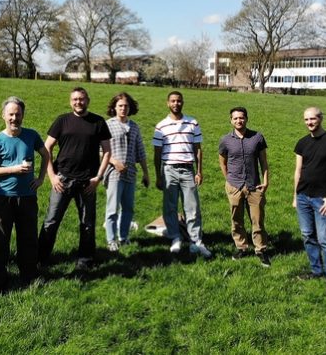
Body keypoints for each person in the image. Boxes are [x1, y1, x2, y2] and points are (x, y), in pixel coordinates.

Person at [38, 87, 112, 270]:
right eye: (75, 99)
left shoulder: (98, 122)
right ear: (70, 101)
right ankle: (40, 259)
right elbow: (47, 148)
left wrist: (98, 178)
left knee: (87, 223)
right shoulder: (62, 121)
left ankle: (85, 260)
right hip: (62, 180)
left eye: (82, 99)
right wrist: (52, 176)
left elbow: (107, 151)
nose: (78, 102)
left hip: (88, 182)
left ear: (88, 100)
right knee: (51, 220)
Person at [0, 97, 49, 291]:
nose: (14, 118)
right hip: (2, 197)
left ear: (23, 115)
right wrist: (14, 169)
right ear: (3, 115)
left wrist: (41, 178)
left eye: (18, 114)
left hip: (27, 197)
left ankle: (29, 276)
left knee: (28, 238)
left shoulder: (31, 135)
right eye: (10, 114)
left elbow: (46, 154)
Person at [153, 91, 212, 259]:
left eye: (178, 101)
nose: (176, 104)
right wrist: (158, 176)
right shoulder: (161, 126)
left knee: (192, 208)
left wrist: (199, 171)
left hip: (188, 170)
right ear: (168, 103)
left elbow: (198, 149)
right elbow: (157, 153)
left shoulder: (192, 123)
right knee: (170, 206)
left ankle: (196, 242)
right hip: (168, 170)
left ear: (182, 102)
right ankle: (175, 237)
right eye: (172, 101)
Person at [293, 106, 326, 295]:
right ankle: (316, 270)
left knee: (325, 239)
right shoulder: (302, 143)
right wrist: (295, 196)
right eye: (306, 119)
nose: (309, 122)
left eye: (313, 119)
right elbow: (298, 171)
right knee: (307, 235)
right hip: (303, 197)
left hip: (322, 199)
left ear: (320, 118)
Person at [218, 107, 271, 266]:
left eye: (241, 118)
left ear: (246, 119)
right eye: (235, 118)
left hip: (254, 185)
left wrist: (266, 181)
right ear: (231, 120)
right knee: (236, 219)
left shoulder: (257, 137)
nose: (238, 121)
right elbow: (222, 162)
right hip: (234, 186)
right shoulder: (225, 140)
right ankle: (241, 247)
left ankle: (261, 249)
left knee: (258, 219)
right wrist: (229, 180)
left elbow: (263, 162)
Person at [103, 92, 150, 252]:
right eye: (120, 106)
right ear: (114, 108)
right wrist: (114, 162)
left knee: (128, 208)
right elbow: (100, 150)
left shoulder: (134, 127)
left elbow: (140, 151)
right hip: (113, 173)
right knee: (112, 208)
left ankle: (123, 237)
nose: (123, 108)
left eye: (126, 106)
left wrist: (145, 173)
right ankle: (111, 240)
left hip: (130, 173)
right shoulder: (108, 125)